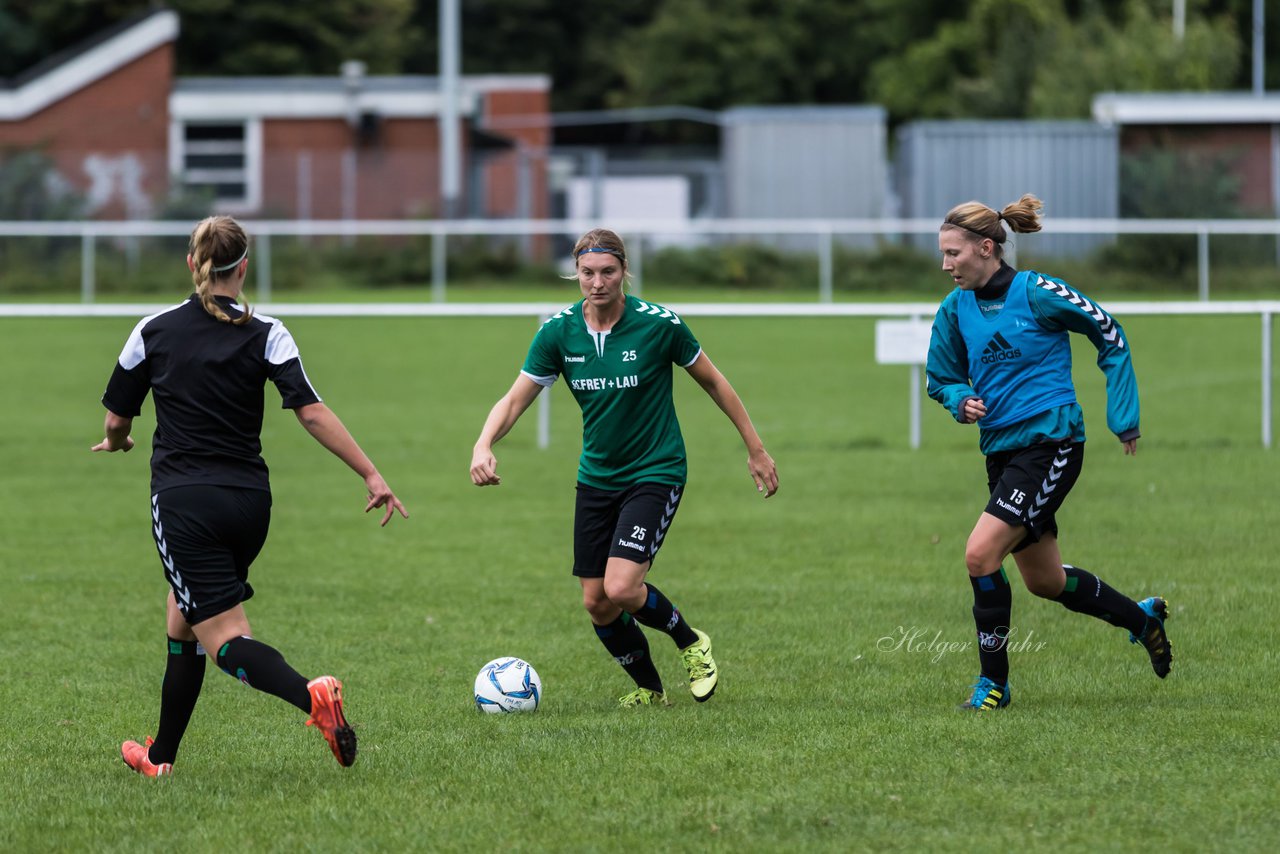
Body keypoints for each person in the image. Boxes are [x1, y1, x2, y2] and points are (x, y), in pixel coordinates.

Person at [94, 215, 407, 775]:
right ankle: (160, 758)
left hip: (185, 505)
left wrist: (118, 442)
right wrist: (371, 473)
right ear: (244, 266)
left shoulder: (153, 330)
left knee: (226, 641)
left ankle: (311, 696)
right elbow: (310, 410)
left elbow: (118, 418)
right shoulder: (268, 332)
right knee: (182, 620)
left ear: (193, 264)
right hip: (249, 505)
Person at [470, 228, 778, 708]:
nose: (597, 282)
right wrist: (484, 443)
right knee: (597, 602)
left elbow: (716, 383)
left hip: (656, 470)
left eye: (608, 272)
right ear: (576, 273)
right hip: (596, 477)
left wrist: (755, 448)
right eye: (587, 273)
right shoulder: (558, 332)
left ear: (624, 272)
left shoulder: (660, 325)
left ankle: (691, 643)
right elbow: (513, 400)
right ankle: (650, 692)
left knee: (621, 586)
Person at [926, 194, 1172, 711]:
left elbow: (1108, 332)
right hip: (1001, 452)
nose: (946, 264)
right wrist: (957, 398)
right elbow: (940, 376)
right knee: (1045, 581)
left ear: (987, 248)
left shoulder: (1037, 292)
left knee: (978, 553)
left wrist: (1123, 416)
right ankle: (1140, 619)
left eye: (954, 253)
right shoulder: (955, 309)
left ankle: (993, 684)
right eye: (943, 254)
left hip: (1052, 444)